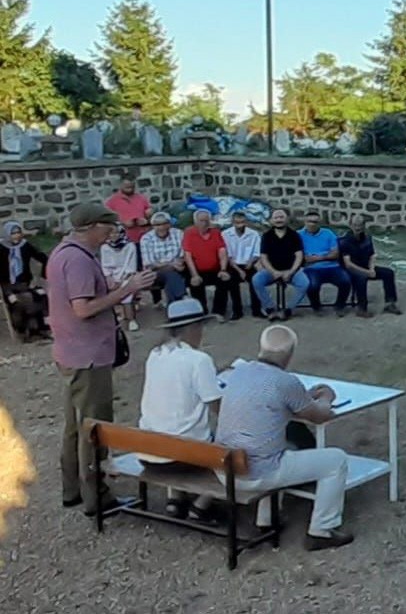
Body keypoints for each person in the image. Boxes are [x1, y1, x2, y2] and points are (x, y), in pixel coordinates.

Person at [48, 203, 155, 516]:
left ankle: (73, 490)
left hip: (70, 352)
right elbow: (83, 309)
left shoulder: (63, 253)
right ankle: (98, 497)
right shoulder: (78, 259)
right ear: (92, 226)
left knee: (73, 425)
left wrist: (111, 285)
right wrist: (126, 290)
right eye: (107, 227)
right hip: (89, 355)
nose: (111, 232)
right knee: (95, 428)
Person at [214, 325, 353, 550]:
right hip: (257, 472)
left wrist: (304, 398)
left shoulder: (238, 372)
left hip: (224, 467)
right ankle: (322, 529)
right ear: (290, 354)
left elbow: (276, 402)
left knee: (275, 444)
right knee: (336, 460)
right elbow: (319, 416)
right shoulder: (285, 381)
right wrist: (326, 396)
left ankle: (266, 521)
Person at [137, 298, 222, 522]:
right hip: (184, 455)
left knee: (169, 422)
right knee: (233, 443)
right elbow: (217, 407)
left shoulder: (155, 354)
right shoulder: (199, 360)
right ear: (193, 328)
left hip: (148, 452)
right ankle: (201, 504)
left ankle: (175, 498)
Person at [253, 208, 311, 321]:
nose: (279, 220)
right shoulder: (267, 236)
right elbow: (264, 257)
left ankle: (288, 310)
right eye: (276, 218)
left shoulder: (294, 235)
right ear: (272, 220)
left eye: (281, 217)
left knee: (304, 283)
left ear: (287, 219)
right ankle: (271, 309)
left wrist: (291, 272)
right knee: (256, 280)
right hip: (272, 271)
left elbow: (299, 255)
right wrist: (273, 272)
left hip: (291, 270)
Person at [339, 215, 401, 318]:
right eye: (355, 225)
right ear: (350, 225)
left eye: (360, 225)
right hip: (351, 269)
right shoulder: (345, 241)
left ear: (364, 226)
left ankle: (390, 303)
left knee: (388, 273)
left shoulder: (367, 238)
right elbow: (348, 264)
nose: (358, 228)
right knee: (361, 278)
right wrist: (366, 272)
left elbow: (371, 255)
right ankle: (362, 308)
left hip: (365, 266)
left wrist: (371, 268)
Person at [1, 221, 49, 341]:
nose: (16, 236)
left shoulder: (25, 246)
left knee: (41, 295)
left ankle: (39, 328)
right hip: (7, 286)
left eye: (18, 232)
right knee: (19, 301)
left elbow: (42, 258)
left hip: (25, 283)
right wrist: (7, 291)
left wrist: (40, 277)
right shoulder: (1, 248)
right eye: (13, 233)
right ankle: (23, 330)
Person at [181, 209, 233, 318]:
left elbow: (222, 251)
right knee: (195, 282)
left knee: (224, 280)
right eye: (201, 221)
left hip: (214, 268)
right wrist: (194, 274)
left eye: (206, 221)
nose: (204, 223)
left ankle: (218, 311)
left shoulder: (215, 232)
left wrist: (223, 269)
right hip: (197, 268)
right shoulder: (189, 233)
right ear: (195, 222)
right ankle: (200, 310)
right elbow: (188, 255)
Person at [297, 211, 350, 317]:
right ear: (305, 222)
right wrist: (325, 256)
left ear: (320, 223)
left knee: (346, 281)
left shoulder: (328, 233)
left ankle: (339, 306)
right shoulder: (298, 235)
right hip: (311, 268)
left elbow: (335, 254)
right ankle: (316, 307)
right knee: (312, 285)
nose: (312, 224)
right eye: (310, 221)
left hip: (332, 266)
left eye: (315, 222)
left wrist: (316, 258)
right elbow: (301, 256)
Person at [139, 212, 188, 305]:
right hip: (155, 272)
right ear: (153, 226)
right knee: (170, 274)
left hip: (178, 268)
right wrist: (171, 264)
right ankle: (182, 297)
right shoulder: (146, 239)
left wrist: (180, 262)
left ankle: (173, 307)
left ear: (169, 224)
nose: (161, 227)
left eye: (165, 223)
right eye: (157, 224)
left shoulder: (178, 233)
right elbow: (150, 264)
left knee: (172, 276)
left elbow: (183, 254)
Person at [222, 211, 263, 320]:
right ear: (233, 222)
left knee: (255, 280)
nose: (240, 224)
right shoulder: (225, 234)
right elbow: (228, 255)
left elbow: (256, 253)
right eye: (237, 222)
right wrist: (239, 271)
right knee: (232, 282)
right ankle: (237, 311)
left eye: (242, 222)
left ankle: (257, 310)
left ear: (246, 222)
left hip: (249, 263)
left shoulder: (254, 234)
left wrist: (250, 263)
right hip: (233, 265)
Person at [99, 224, 140, 332]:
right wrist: (109, 278)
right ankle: (113, 320)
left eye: (117, 232)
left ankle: (131, 320)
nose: (114, 235)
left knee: (126, 289)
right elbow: (105, 266)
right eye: (111, 233)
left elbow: (131, 266)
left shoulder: (130, 246)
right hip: (112, 276)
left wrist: (121, 280)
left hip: (127, 275)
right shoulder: (104, 247)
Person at [105, 174, 154, 248]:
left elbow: (151, 217)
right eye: (127, 187)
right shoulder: (112, 201)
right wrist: (122, 223)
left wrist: (146, 220)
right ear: (121, 185)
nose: (130, 189)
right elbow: (106, 221)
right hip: (123, 242)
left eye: (132, 187)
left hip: (143, 240)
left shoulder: (141, 198)